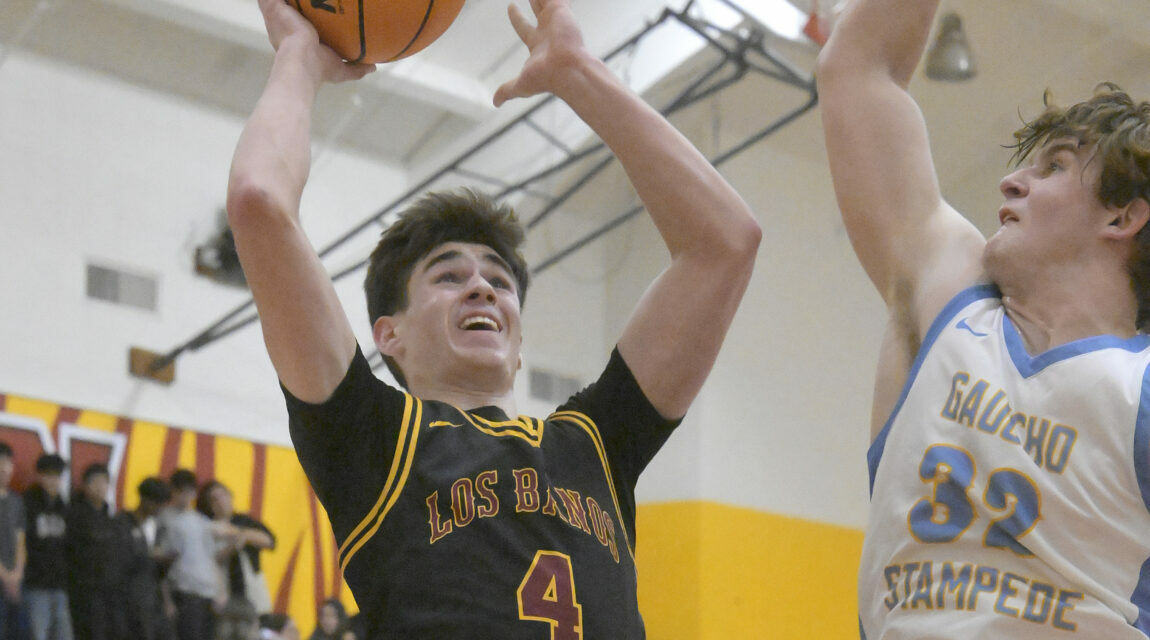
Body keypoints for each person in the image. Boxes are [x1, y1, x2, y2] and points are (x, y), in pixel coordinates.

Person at [225, 0, 760, 635]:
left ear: (520, 339)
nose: (481, 287)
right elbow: (260, 203)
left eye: (499, 280)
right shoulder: (371, 438)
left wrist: (579, 72)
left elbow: (726, 243)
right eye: (448, 275)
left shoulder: (595, 443)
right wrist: (297, 57)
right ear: (387, 333)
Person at [816, 1, 1150, 637]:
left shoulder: (1139, 386)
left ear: (1122, 218)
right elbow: (859, 68)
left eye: (1052, 167)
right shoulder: (949, 305)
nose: (1009, 182)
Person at [195, 480, 275, 640]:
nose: (220, 502)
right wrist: (235, 543)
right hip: (223, 596)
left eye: (222, 496)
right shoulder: (205, 526)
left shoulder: (244, 521)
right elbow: (212, 558)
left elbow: (269, 541)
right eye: (214, 499)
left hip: (251, 593)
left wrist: (241, 534)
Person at [158, 470, 224, 640]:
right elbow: (161, 566)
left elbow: (212, 559)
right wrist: (167, 601)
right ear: (172, 491)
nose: (185, 497)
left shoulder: (200, 521)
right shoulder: (163, 518)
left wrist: (219, 592)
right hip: (184, 593)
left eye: (189, 492)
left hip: (207, 593)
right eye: (181, 491)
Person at [64, 463, 125, 640]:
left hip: (110, 591)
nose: (100, 487)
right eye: (95, 482)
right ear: (85, 485)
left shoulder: (110, 517)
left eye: (105, 482)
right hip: (84, 591)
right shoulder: (74, 514)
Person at [116, 477, 175, 640]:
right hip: (129, 600)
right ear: (144, 499)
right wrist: (148, 555)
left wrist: (166, 562)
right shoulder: (122, 523)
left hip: (153, 600)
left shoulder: (157, 528)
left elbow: (160, 575)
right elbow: (119, 561)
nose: (160, 509)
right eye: (157, 503)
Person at [22, 454, 71, 640]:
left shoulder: (64, 506)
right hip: (35, 584)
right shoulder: (27, 503)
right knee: (37, 633)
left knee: (63, 634)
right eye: (48, 475)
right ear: (39, 476)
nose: (53, 481)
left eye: (57, 476)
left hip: (59, 584)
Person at [0, 443, 28, 640]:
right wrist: (5, 575)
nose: (4, 468)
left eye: (8, 463)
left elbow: (20, 539)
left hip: (16, 581)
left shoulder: (16, 500)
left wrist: (17, 573)